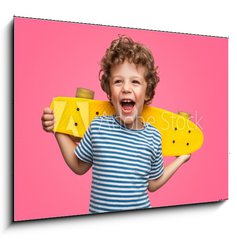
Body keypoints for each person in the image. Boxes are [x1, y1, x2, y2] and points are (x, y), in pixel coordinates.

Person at [41, 36, 191, 214]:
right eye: (118, 81)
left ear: (148, 92)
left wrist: (181, 159)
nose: (126, 88)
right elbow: (78, 166)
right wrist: (57, 129)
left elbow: (152, 183)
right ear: (109, 92)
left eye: (135, 82)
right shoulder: (98, 127)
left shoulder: (153, 137)